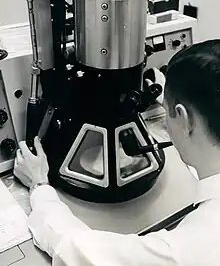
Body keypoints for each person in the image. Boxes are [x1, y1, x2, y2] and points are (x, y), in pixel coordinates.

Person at [14, 40, 220, 265]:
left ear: (184, 118)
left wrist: (39, 186)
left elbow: (74, 246)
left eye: (171, 114)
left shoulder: (184, 252)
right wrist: (171, 102)